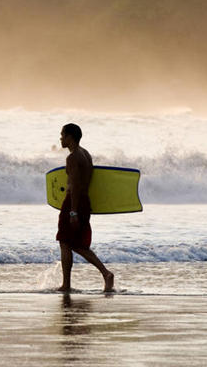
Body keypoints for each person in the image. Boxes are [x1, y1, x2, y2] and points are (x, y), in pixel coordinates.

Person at [56, 123, 114, 293]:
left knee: (65, 242)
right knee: (77, 244)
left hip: (74, 202)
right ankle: (105, 273)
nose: (60, 138)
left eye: (62, 135)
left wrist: (72, 211)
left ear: (70, 137)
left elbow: (74, 185)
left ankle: (67, 284)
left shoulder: (73, 158)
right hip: (84, 202)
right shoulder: (86, 154)